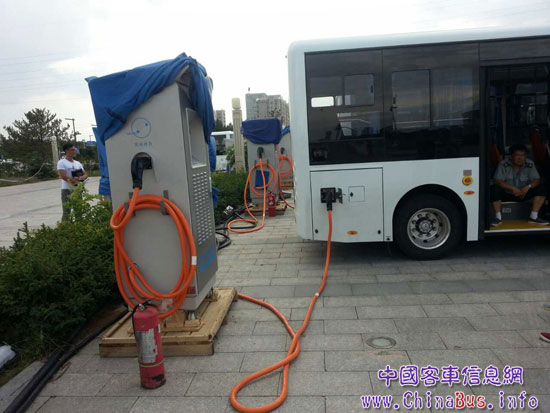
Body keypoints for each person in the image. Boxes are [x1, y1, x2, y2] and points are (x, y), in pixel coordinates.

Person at [490, 143, 549, 226]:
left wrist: (528, 187)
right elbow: (497, 181)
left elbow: (537, 180)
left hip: (524, 194)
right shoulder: (503, 164)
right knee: (494, 188)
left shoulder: (529, 164)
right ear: (511, 156)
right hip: (507, 194)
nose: (520, 158)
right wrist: (512, 188)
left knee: (542, 188)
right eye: (517, 155)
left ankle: (534, 217)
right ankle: (498, 218)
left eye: (523, 155)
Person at [57, 143, 88, 219]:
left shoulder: (77, 163)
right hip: (67, 190)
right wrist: (75, 182)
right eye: (72, 150)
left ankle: (79, 225)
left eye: (75, 150)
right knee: (67, 211)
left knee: (78, 211)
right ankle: (65, 225)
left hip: (77, 190)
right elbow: (63, 176)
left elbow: (85, 175)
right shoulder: (61, 162)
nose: (75, 151)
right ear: (67, 150)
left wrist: (80, 179)